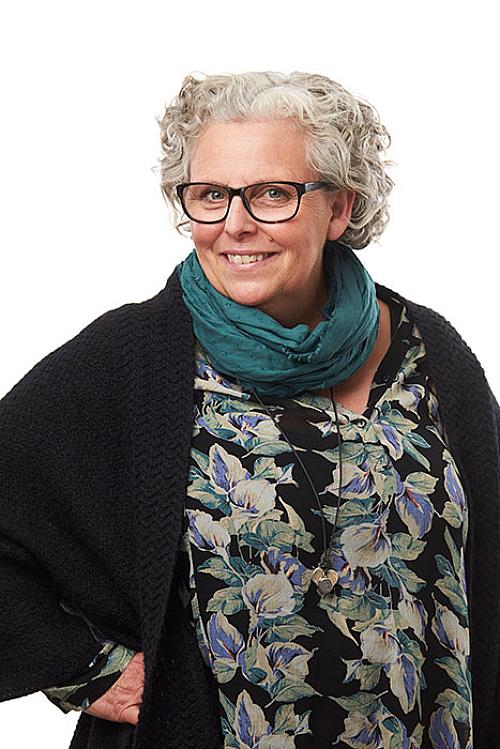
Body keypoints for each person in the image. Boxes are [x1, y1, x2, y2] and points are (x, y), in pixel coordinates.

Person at [0, 71, 499, 749]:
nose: (235, 224)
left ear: (340, 207)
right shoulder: (129, 360)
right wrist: (85, 669)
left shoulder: (430, 351)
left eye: (272, 194)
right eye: (211, 195)